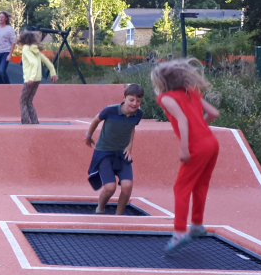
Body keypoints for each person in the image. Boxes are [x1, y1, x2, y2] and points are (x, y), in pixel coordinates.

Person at [151, 58, 221, 254]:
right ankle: (197, 224)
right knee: (200, 184)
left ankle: (180, 232)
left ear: (161, 82)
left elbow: (181, 119)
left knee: (180, 188)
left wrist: (184, 148)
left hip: (196, 147)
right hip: (212, 143)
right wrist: (201, 125)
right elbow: (214, 113)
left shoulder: (165, 98)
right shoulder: (192, 93)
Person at [84, 84, 145, 215]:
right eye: (131, 100)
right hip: (104, 152)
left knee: (127, 186)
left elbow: (132, 127)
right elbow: (96, 120)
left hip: (122, 153)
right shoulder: (110, 110)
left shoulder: (138, 114)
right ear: (124, 98)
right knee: (110, 188)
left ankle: (119, 216)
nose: (135, 103)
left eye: (138, 101)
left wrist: (130, 145)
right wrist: (89, 136)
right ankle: (100, 209)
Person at [18, 31, 58, 124]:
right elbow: (46, 61)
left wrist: (31, 78)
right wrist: (53, 72)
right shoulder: (35, 49)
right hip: (38, 78)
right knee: (29, 101)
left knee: (23, 101)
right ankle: (35, 121)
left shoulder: (26, 49)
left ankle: (26, 122)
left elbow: (34, 63)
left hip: (30, 79)